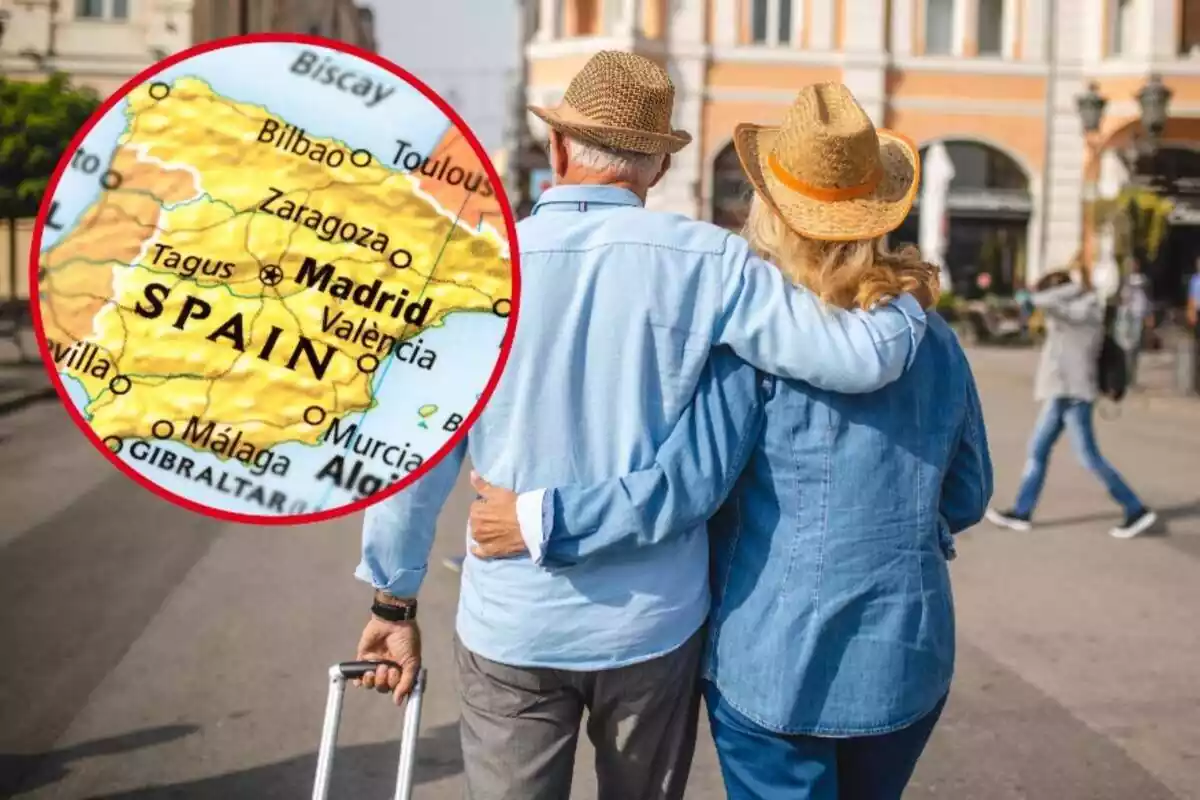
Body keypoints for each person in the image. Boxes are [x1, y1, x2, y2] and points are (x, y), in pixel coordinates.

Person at [352, 54, 930, 800]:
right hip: (651, 627)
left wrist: (391, 602)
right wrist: (910, 297)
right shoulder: (711, 263)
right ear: (657, 167)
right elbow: (853, 360)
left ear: (558, 150)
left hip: (513, 620)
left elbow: (410, 459)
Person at [986, 264, 1157, 539]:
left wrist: (1038, 297)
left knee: (1087, 457)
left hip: (1073, 394)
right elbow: (1046, 308)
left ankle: (1135, 509)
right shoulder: (1070, 310)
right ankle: (1022, 512)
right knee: (1037, 450)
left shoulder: (1083, 311)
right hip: (1061, 391)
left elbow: (1053, 304)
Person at [1114, 266, 1151, 388]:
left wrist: (1148, 315)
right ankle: (1125, 377)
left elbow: (1146, 300)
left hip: (1137, 316)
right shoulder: (1122, 283)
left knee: (1134, 349)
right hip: (1124, 318)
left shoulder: (1141, 281)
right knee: (1124, 349)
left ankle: (1131, 377)